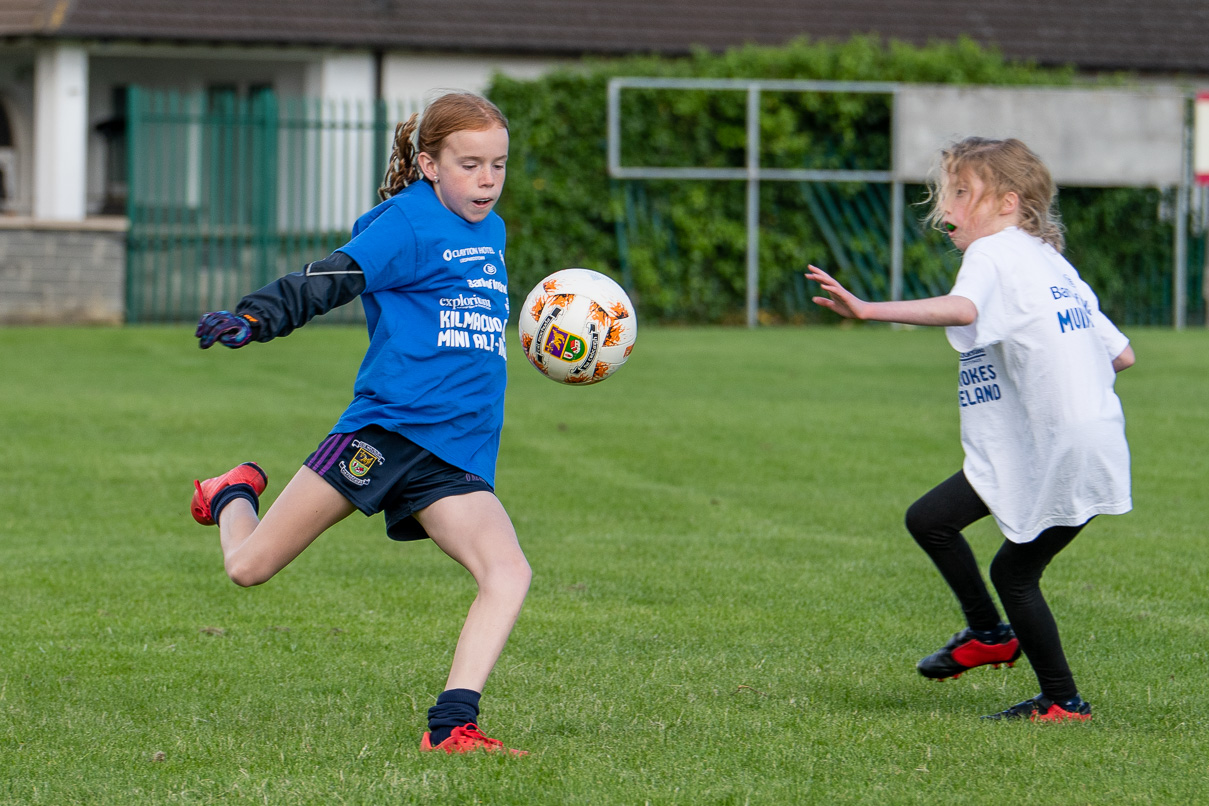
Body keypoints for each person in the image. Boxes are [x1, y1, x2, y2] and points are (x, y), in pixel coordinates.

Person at [189, 92, 530, 754]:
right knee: (250, 568)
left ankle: (451, 727)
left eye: (498, 164)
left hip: (454, 451)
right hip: (386, 433)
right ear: (429, 165)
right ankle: (230, 491)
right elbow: (330, 278)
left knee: (508, 572)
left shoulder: (492, 230)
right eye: (469, 165)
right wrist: (256, 316)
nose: (486, 180)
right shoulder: (404, 224)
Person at [806, 136, 1134, 722]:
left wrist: (869, 309)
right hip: (1074, 443)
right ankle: (988, 635)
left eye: (961, 192)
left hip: (1059, 448)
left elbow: (963, 311)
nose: (947, 206)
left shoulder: (995, 254)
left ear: (1008, 202)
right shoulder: (1051, 262)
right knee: (931, 520)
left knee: (1015, 572)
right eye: (946, 190)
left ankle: (1063, 702)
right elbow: (1121, 354)